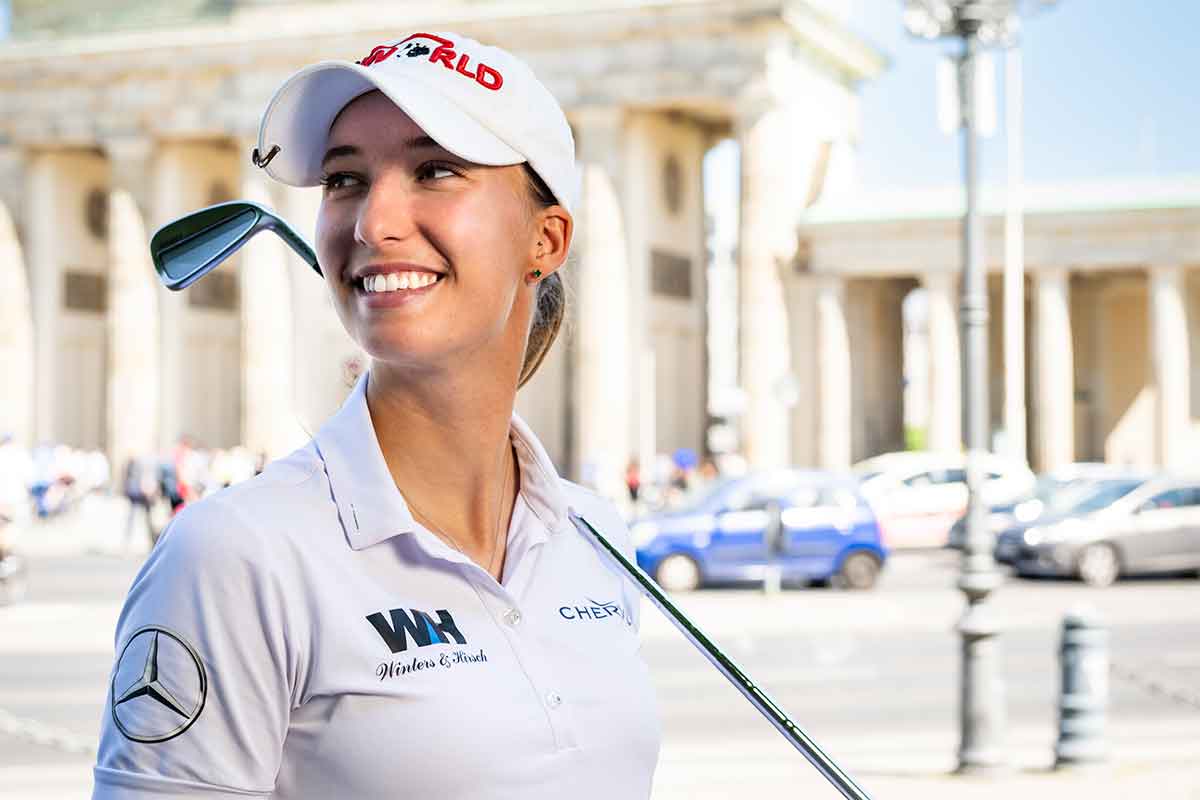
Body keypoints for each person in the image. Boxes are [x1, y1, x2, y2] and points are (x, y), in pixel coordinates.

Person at [93, 32, 661, 799]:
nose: (371, 221)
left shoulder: (595, 538)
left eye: (435, 169)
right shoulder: (233, 555)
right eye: (344, 179)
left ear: (546, 238)